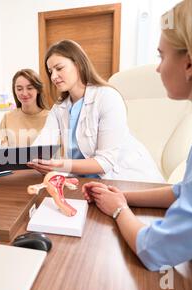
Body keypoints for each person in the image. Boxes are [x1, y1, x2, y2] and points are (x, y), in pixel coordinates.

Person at [82, 0, 192, 290]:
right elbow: (188, 190)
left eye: (161, 55)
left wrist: (118, 209)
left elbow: (155, 249)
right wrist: (122, 195)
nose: (157, 68)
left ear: (191, 63)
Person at [28, 39, 163, 183]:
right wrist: (27, 158)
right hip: (87, 183)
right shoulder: (59, 108)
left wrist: (60, 165)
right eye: (50, 71)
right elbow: (41, 147)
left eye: (59, 68)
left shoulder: (107, 97)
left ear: (78, 64)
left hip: (129, 181)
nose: (53, 76)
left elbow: (104, 162)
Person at [0, 69, 49, 147]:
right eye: (19, 89)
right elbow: (4, 153)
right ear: (15, 91)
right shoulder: (7, 118)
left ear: (38, 89)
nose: (24, 93)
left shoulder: (51, 117)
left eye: (30, 88)